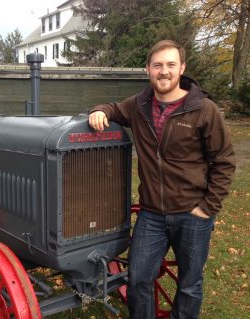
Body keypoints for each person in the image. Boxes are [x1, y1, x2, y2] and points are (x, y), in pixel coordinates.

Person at [89, 40, 236, 319]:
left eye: (170, 65)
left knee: (190, 284)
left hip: (192, 214)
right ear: (148, 69)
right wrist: (100, 111)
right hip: (151, 215)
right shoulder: (138, 106)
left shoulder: (203, 110)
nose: (164, 71)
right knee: (138, 279)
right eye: (158, 65)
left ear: (182, 68)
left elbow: (224, 162)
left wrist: (206, 207)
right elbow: (113, 109)